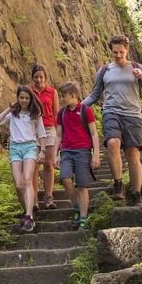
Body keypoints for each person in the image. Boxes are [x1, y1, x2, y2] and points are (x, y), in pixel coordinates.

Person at [81, 34, 142, 206]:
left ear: (127, 50)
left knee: (132, 154)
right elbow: (95, 94)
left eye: (121, 52)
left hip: (133, 115)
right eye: (115, 52)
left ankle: (136, 195)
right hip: (111, 112)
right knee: (112, 143)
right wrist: (79, 107)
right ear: (111, 51)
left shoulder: (137, 67)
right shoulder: (104, 70)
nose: (118, 55)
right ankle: (118, 185)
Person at [0, 85, 47, 232]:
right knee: (18, 185)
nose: (24, 100)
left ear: (31, 99)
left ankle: (29, 216)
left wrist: (42, 151)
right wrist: (9, 109)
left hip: (30, 147)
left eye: (27, 98)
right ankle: (27, 214)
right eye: (21, 97)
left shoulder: (35, 114)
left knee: (27, 180)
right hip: (15, 149)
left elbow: (42, 133)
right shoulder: (13, 114)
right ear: (17, 98)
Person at [54, 81, 99, 230]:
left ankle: (83, 217)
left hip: (83, 151)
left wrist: (96, 155)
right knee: (65, 179)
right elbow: (58, 136)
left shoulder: (86, 111)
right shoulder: (62, 113)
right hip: (66, 151)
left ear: (73, 95)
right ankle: (77, 206)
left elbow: (94, 133)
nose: (61, 99)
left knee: (82, 185)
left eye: (63, 96)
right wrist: (54, 155)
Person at [30, 65, 59, 211]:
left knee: (48, 164)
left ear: (45, 77)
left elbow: (56, 114)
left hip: (49, 129)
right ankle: (34, 199)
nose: (38, 79)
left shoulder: (52, 92)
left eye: (41, 77)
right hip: (34, 130)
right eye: (36, 77)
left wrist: (59, 134)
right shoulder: (29, 92)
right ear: (32, 78)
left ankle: (48, 198)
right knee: (35, 165)